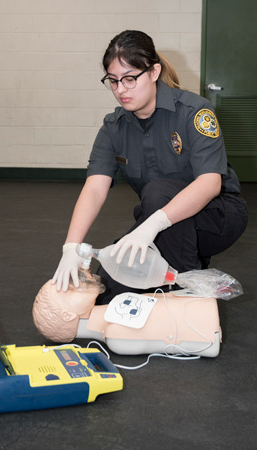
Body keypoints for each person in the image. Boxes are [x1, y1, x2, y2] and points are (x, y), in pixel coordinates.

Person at [52, 30, 248, 304]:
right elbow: (95, 188)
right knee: (107, 293)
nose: (121, 89)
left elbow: (209, 184)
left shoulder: (194, 111)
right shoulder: (113, 127)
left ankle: (188, 297)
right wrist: (71, 246)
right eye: (113, 81)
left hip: (217, 217)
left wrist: (150, 226)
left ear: (154, 72)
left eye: (130, 78)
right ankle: (177, 276)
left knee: (157, 193)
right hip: (161, 220)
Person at [33, 279, 221, 358]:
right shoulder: (115, 334)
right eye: (68, 288)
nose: (76, 281)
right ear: (68, 315)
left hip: (203, 312)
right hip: (204, 330)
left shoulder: (115, 313)